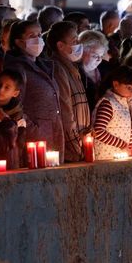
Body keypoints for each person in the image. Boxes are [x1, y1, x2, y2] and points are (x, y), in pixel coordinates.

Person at [5, 19, 66, 162]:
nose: (38, 39)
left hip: (52, 132)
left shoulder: (43, 66)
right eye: (32, 36)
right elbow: (14, 104)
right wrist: (33, 128)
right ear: (19, 42)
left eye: (39, 35)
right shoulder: (17, 68)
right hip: (35, 138)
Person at [48, 21, 90, 162]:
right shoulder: (59, 69)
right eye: (74, 41)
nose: (79, 44)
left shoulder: (72, 68)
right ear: (60, 46)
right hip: (71, 149)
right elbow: (66, 111)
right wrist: (77, 147)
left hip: (81, 141)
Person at [91, 66, 132, 159]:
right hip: (106, 158)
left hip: (118, 156)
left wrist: (130, 147)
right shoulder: (108, 104)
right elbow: (98, 131)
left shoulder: (125, 103)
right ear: (116, 84)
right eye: (129, 88)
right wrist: (123, 145)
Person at [0, 69, 27, 168]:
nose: (0, 90)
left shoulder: (18, 116)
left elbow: (19, 143)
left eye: (7, 87)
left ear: (15, 93)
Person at [78, 30, 110, 107]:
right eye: (95, 56)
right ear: (81, 52)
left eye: (101, 56)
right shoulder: (74, 73)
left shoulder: (106, 69)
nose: (99, 60)